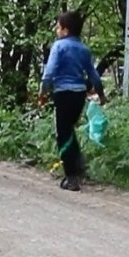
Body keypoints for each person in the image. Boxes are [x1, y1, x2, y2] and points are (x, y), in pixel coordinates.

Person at [38, 11, 106, 192]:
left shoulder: (59, 47)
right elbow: (93, 75)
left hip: (63, 93)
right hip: (79, 95)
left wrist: (43, 92)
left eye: (58, 27)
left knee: (63, 134)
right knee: (69, 131)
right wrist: (101, 94)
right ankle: (78, 167)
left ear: (65, 30)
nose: (56, 30)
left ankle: (72, 177)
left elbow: (49, 72)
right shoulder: (84, 49)